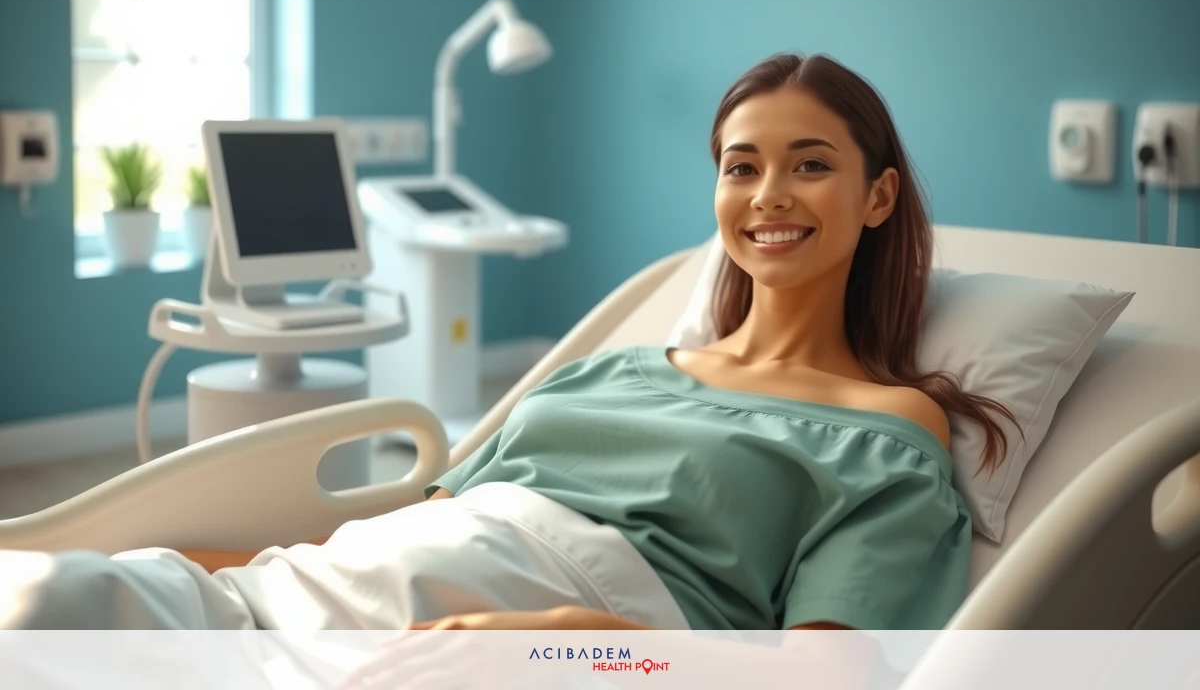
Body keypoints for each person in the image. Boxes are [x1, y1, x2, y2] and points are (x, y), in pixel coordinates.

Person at [0, 52, 1016, 636]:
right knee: (56, 601)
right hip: (302, 606)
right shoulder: (608, 370)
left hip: (519, 641)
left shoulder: (887, 434)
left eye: (810, 164)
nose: (768, 196)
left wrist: (565, 647)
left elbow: (819, 673)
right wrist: (174, 565)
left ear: (878, 194)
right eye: (741, 166)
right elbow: (393, 538)